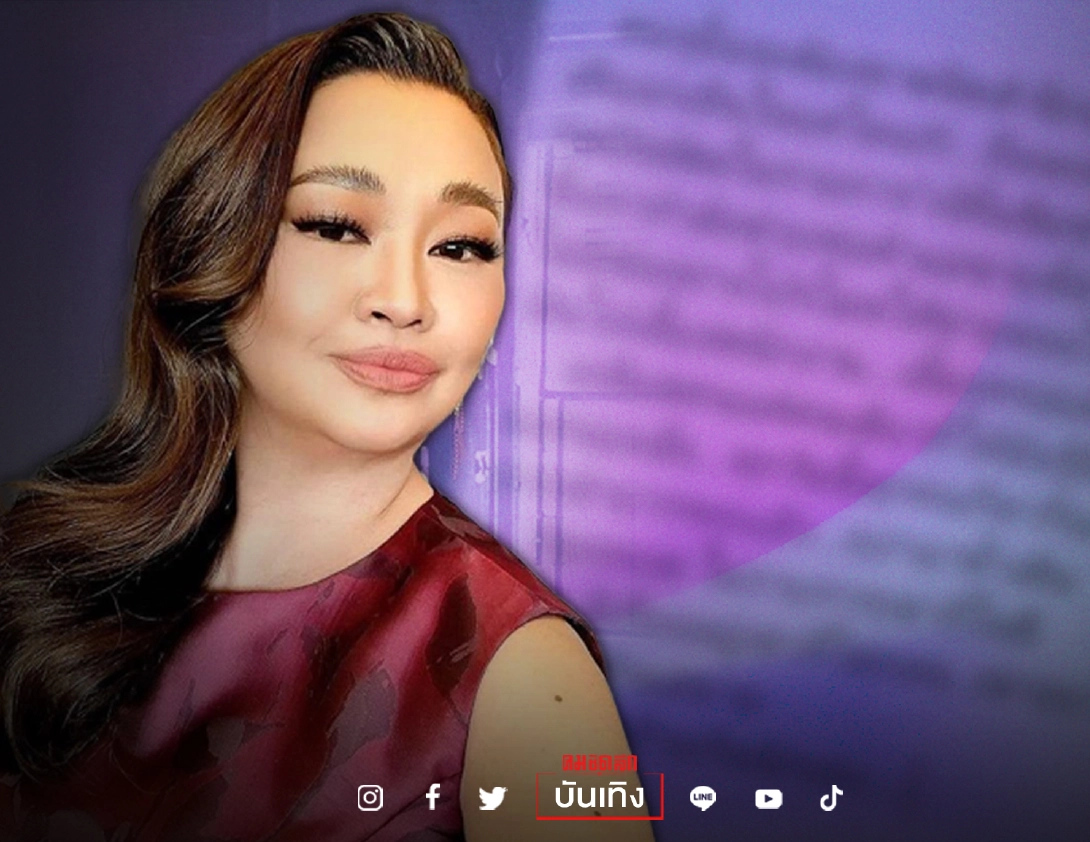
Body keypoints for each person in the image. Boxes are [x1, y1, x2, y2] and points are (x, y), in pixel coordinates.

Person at [0, 12, 652, 841]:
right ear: (209, 248)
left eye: (461, 246)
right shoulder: (44, 576)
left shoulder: (526, 677)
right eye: (337, 226)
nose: (405, 301)